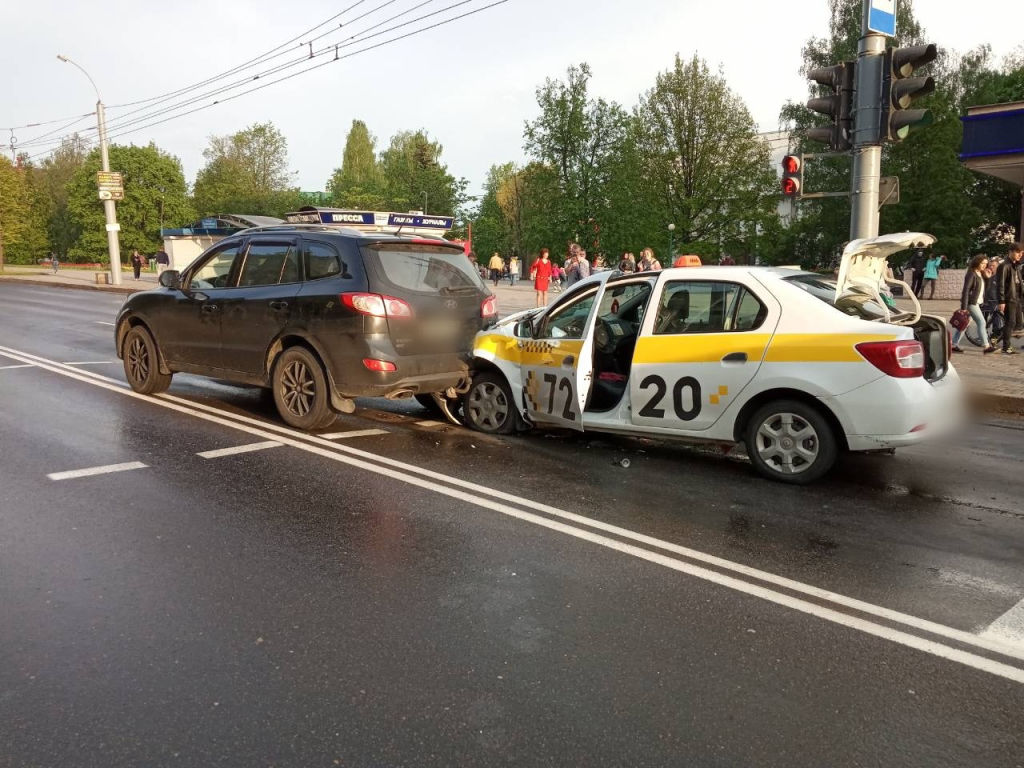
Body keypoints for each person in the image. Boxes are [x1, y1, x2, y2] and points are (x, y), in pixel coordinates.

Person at [952, 254, 995, 354]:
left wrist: (988, 278)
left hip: (977, 302)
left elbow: (985, 289)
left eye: (986, 264)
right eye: (982, 263)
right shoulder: (971, 273)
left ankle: (954, 344)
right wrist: (964, 307)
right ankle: (986, 346)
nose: (984, 265)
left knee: (964, 324)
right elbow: (966, 290)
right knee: (982, 322)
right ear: (977, 262)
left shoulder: (980, 273)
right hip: (971, 303)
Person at [995, 243, 1023, 354]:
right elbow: (1000, 284)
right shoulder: (1004, 265)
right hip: (1009, 298)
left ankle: (997, 335)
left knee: (1018, 323)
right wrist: (1001, 301)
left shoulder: (1015, 265)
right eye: (1017, 252)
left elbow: (1019, 282)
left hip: (1017, 297)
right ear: (1010, 251)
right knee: (1010, 322)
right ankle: (1006, 346)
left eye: (1021, 253)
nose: (1019, 255)